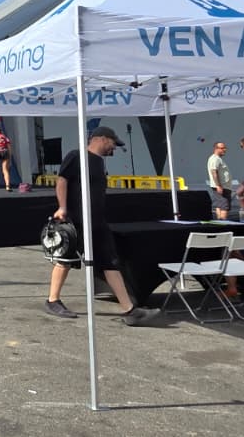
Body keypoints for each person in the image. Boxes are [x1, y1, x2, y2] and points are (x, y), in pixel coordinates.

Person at [45, 127, 160, 325]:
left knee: (110, 263)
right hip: (76, 220)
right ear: (101, 139)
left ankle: (129, 310)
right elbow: (62, 181)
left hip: (98, 222)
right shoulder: (76, 156)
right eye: (113, 142)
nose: (114, 147)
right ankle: (53, 300)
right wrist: (62, 207)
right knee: (65, 259)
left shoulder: (99, 162)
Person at [206, 140, 234, 220]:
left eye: (225, 148)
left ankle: (219, 221)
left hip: (222, 186)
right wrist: (218, 185)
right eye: (222, 148)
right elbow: (214, 171)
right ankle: (223, 223)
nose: (224, 150)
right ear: (216, 148)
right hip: (222, 186)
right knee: (224, 206)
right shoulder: (215, 159)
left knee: (219, 205)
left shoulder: (217, 159)